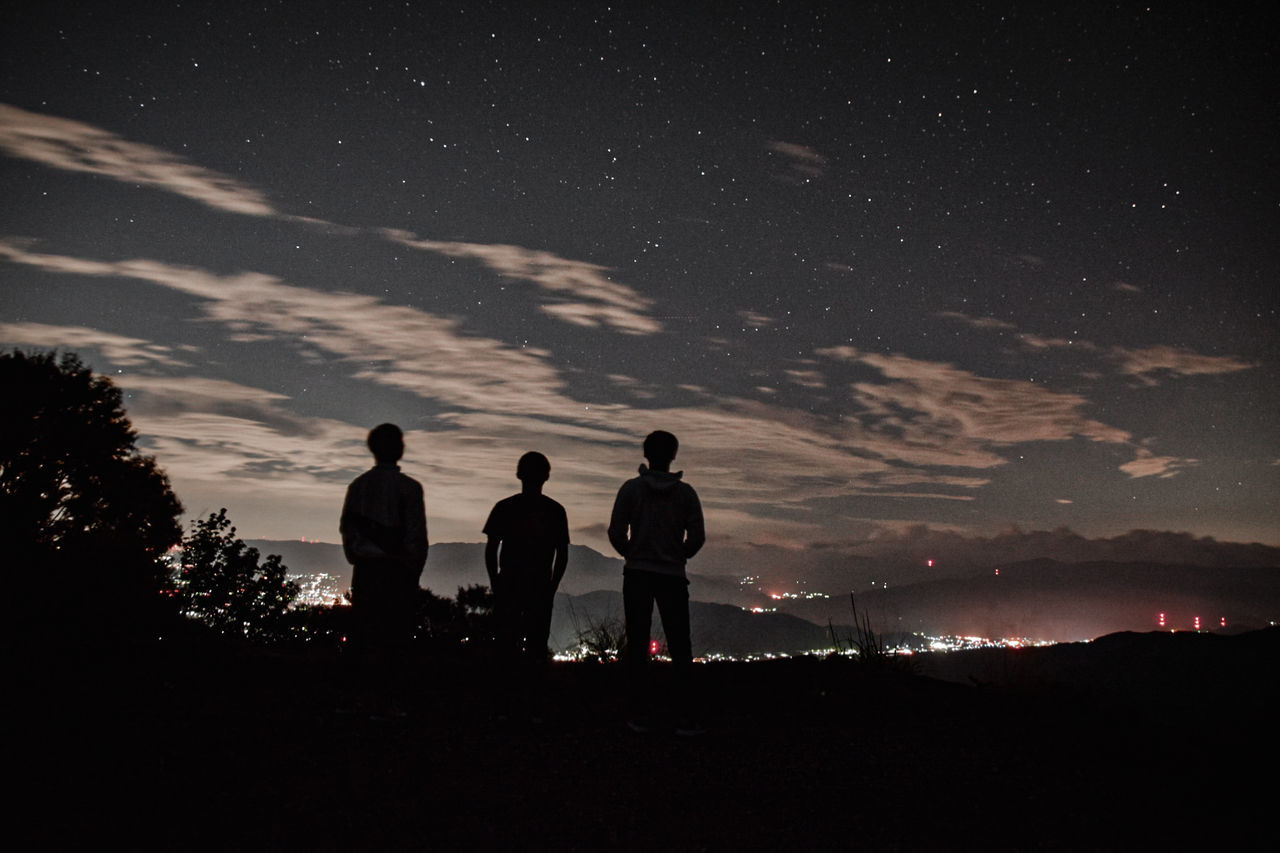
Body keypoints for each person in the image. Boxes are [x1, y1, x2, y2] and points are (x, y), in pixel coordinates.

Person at [608, 430, 706, 734]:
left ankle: (638, 714)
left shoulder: (631, 490)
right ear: (673, 455)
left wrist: (633, 554)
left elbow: (615, 532)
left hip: (637, 573)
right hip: (673, 576)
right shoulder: (686, 493)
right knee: (680, 645)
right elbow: (697, 537)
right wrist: (678, 556)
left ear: (646, 454)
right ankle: (685, 717)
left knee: (637, 644)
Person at [340, 423, 428, 717]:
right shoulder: (410, 489)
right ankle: (392, 702)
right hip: (397, 572)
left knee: (365, 637)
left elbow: (348, 532)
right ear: (400, 449)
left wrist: (358, 557)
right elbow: (416, 536)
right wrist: (412, 573)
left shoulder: (358, 486)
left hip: (366, 570)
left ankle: (362, 700)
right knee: (395, 638)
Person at [483, 452, 569, 713]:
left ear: (519, 474)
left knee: (506, 646)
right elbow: (562, 554)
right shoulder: (555, 511)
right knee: (535, 648)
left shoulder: (504, 507)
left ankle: (504, 704)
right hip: (538, 586)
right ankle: (532, 706)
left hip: (510, 583)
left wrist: (495, 581)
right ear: (547, 477)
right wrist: (552, 586)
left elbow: (491, 549)